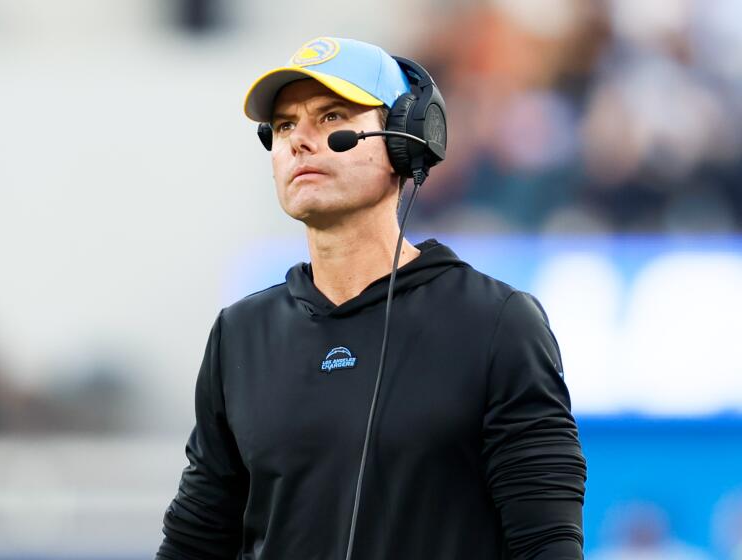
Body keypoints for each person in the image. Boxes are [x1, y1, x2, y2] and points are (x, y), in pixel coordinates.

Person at [156, 36, 587, 560]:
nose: (300, 141)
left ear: (407, 139)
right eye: (286, 125)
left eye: (332, 116)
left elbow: (546, 545)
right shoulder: (240, 334)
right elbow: (194, 543)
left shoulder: (497, 323)